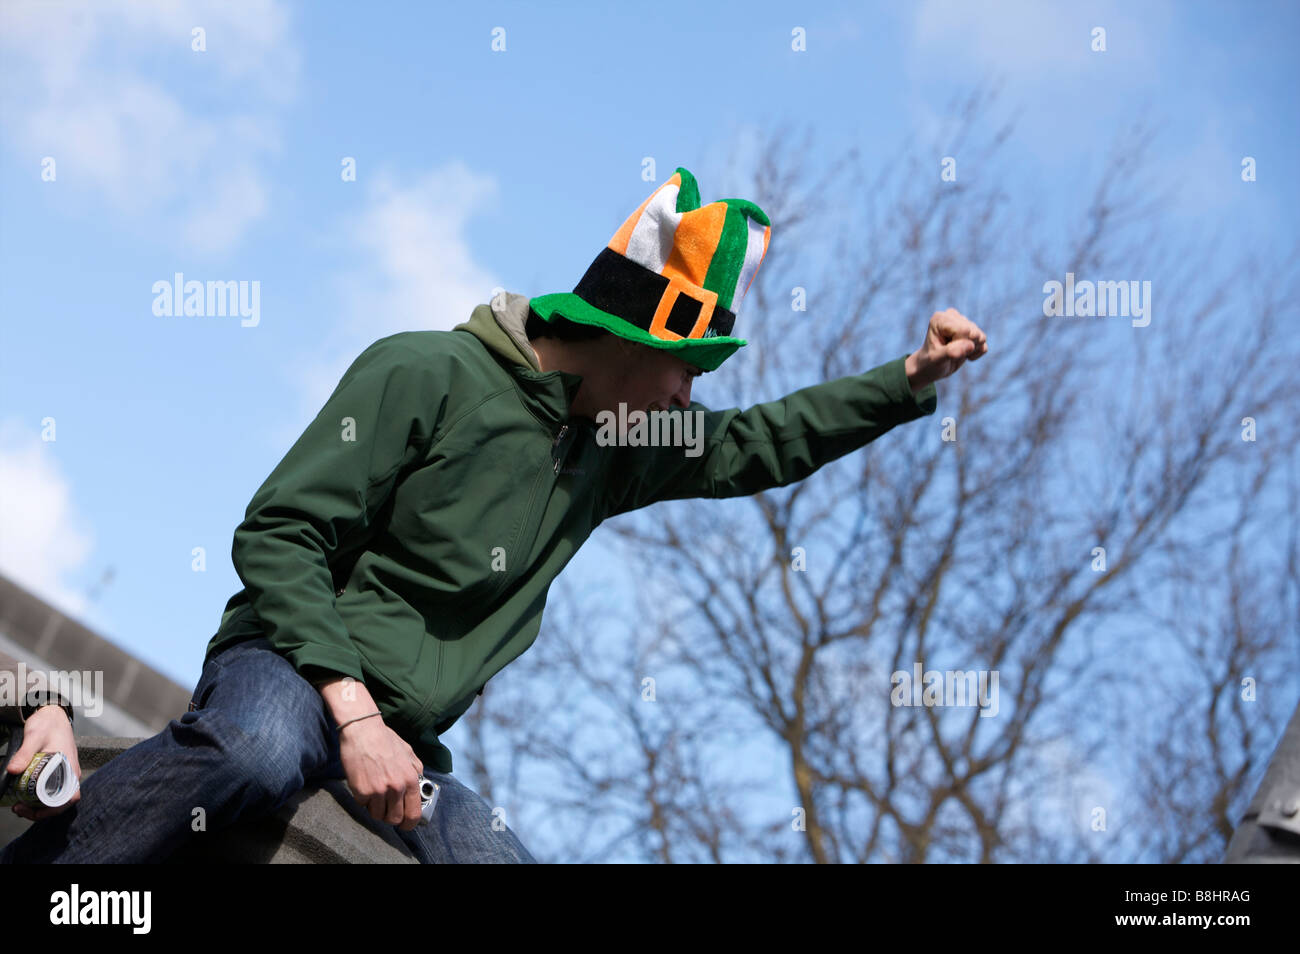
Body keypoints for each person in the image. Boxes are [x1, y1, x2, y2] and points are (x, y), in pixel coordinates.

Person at [0, 166, 986, 864]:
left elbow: (759, 442)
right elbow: (279, 535)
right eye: (685, 371)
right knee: (254, 754)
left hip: (407, 739)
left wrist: (907, 379)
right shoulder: (424, 371)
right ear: (627, 339)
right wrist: (350, 711)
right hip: (294, 668)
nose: (689, 399)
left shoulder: (618, 450)